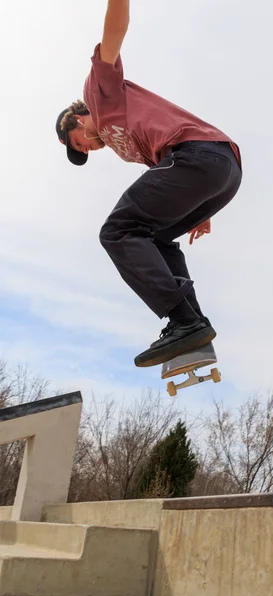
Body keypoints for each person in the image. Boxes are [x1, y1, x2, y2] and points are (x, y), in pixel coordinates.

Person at [55, 0, 242, 368]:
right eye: (84, 150)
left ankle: (185, 322)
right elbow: (164, 170)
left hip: (201, 155)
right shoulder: (126, 148)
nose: (90, 147)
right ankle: (193, 332)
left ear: (77, 117)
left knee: (117, 231)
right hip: (217, 173)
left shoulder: (98, 93)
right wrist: (198, 208)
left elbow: (114, 33)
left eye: (81, 141)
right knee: (154, 237)